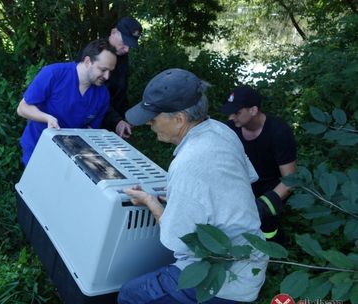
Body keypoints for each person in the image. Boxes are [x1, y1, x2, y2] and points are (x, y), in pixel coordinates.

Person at [117, 69, 268, 304]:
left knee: (131, 295)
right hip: (250, 262)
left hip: (224, 282)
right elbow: (239, 180)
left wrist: (149, 201)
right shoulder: (221, 131)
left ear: (179, 119)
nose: (148, 122)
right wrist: (183, 195)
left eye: (154, 117)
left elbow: (178, 239)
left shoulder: (189, 162)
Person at [17, 38, 117, 166]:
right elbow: (22, 108)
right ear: (87, 61)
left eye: (110, 71)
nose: (107, 76)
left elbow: (91, 130)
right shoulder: (54, 73)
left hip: (71, 156)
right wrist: (46, 118)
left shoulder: (103, 95)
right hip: (38, 148)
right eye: (103, 70)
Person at [219, 86, 297, 244]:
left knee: (267, 227)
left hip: (270, 187)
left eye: (237, 112)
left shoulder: (279, 131)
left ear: (253, 110)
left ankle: (276, 255)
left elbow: (291, 180)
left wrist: (262, 206)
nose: (231, 117)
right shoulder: (230, 129)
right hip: (241, 183)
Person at [101, 16, 142, 139]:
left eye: (130, 45)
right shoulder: (96, 54)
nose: (127, 49)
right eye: (124, 42)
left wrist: (126, 117)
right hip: (95, 124)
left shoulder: (122, 55)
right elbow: (93, 96)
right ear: (113, 33)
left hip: (114, 125)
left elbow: (120, 91)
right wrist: (117, 121)